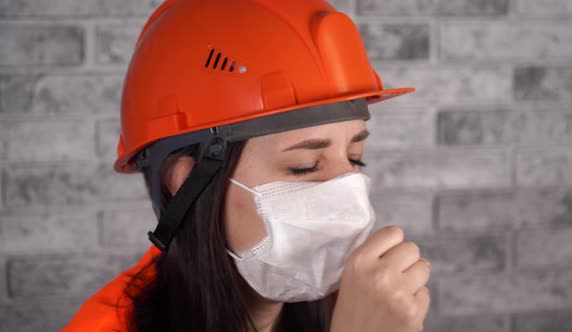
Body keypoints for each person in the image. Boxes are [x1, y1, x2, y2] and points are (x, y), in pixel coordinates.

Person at [63, 0, 431, 331]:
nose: (349, 202)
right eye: (304, 166)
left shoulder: (356, 306)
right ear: (188, 182)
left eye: (354, 158)